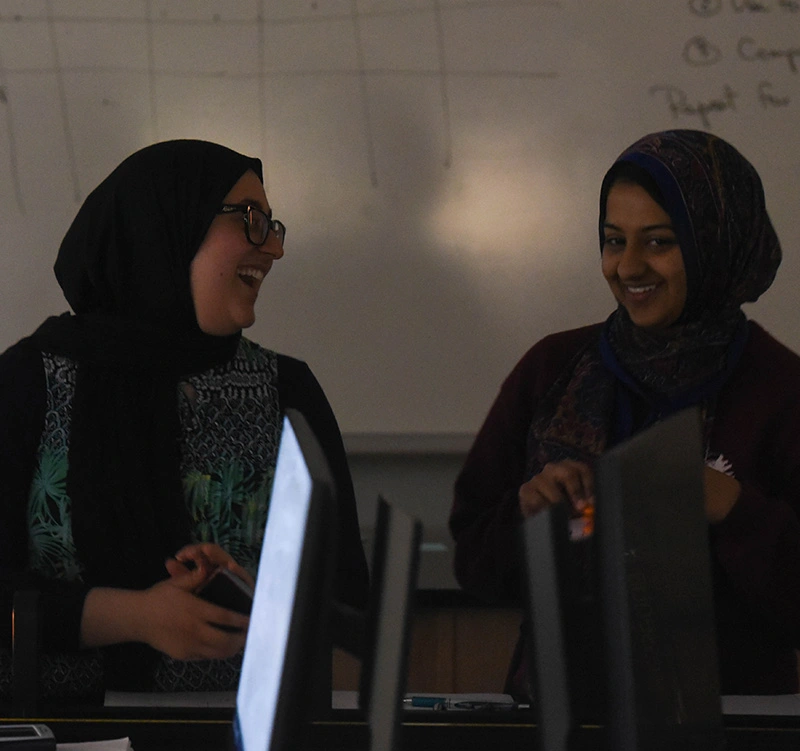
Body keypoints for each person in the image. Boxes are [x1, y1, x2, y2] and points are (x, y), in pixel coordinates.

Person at [0, 140, 369, 701]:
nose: (272, 247)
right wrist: (133, 616)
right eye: (249, 220)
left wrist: (257, 597)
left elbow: (349, 607)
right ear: (162, 227)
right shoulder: (29, 381)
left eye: (272, 225)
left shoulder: (286, 390)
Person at [450, 129, 800, 697]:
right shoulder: (552, 369)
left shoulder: (783, 391)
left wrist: (732, 509)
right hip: (562, 727)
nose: (628, 267)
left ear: (717, 243)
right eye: (614, 241)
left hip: (734, 740)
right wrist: (528, 513)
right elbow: (476, 565)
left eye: (659, 242)